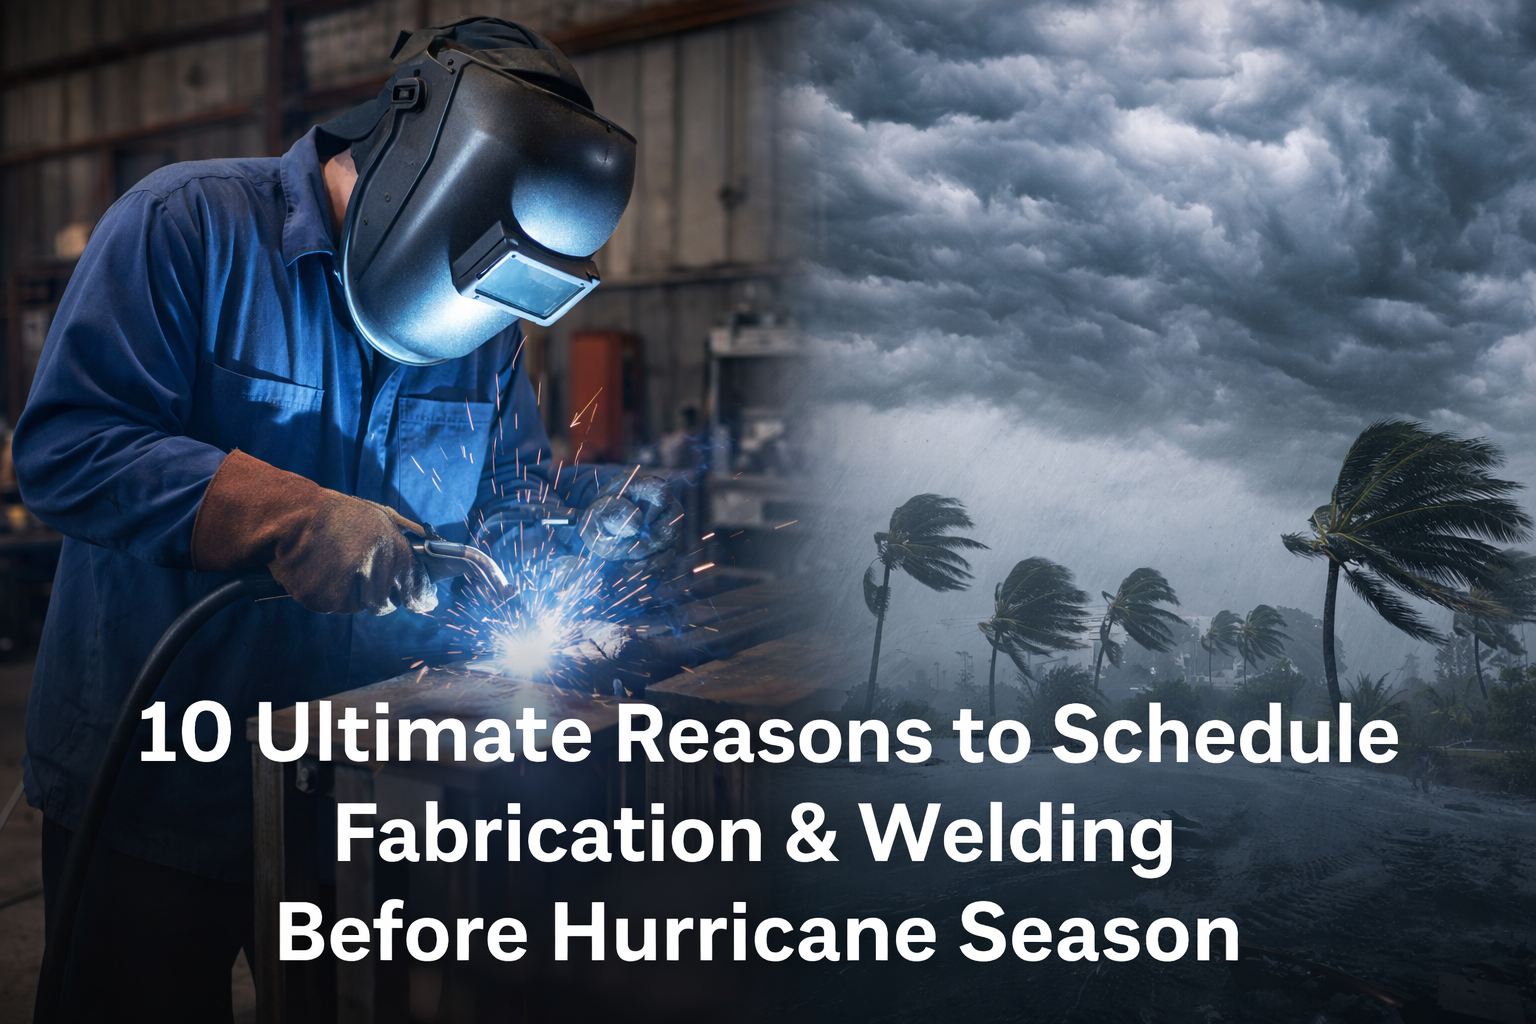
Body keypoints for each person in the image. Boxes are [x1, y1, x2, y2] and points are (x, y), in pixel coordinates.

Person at [12, 17, 676, 1021]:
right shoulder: (185, 227)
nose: (485, 309)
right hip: (149, 788)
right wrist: (288, 514)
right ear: (414, 161)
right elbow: (67, 447)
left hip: (358, 804)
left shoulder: (484, 333)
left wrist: (567, 569)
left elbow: (507, 508)